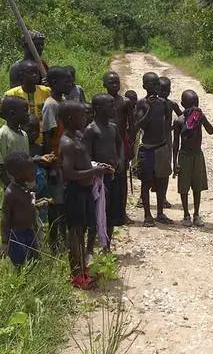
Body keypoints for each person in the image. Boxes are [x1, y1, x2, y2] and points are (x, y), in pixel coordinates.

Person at [59, 101, 113, 289]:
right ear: (70, 118)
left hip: (85, 191)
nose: (85, 118)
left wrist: (97, 167)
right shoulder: (66, 142)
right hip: (74, 193)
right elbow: (69, 174)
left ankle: (83, 269)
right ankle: (76, 274)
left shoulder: (79, 136)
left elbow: (84, 163)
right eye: (81, 115)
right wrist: (94, 172)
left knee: (82, 230)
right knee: (75, 234)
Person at [83, 94, 125, 250]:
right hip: (99, 179)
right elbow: (86, 155)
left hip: (113, 176)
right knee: (97, 214)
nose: (114, 109)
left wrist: (120, 160)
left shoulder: (113, 127)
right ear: (99, 109)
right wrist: (96, 168)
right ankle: (89, 250)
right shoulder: (91, 130)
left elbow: (120, 144)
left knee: (111, 213)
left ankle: (106, 245)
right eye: (110, 106)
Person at [134, 72, 173, 227]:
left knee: (162, 180)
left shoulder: (163, 103)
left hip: (161, 147)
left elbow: (168, 124)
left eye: (157, 83)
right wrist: (150, 109)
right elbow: (141, 125)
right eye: (152, 84)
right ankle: (147, 215)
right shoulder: (142, 103)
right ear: (144, 86)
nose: (156, 87)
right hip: (148, 148)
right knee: (146, 181)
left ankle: (160, 213)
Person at [41, 66, 73, 254]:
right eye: (66, 81)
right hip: (57, 163)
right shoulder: (51, 105)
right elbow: (48, 137)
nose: (70, 84)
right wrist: (51, 165)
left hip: (65, 162)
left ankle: (63, 241)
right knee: (56, 207)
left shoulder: (62, 101)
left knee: (63, 206)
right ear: (54, 83)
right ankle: (55, 245)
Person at [172, 90, 213, 227]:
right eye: (191, 104)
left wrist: (202, 116)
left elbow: (211, 130)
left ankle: (196, 214)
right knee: (184, 188)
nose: (194, 107)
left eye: (196, 104)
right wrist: (175, 161)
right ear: (183, 105)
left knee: (197, 186)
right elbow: (175, 143)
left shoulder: (198, 117)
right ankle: (186, 214)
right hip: (184, 156)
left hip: (197, 154)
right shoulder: (179, 121)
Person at [0, 151, 46, 268]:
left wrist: (38, 204)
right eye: (30, 170)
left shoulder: (26, 188)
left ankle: (34, 281)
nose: (34, 171)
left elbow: (28, 205)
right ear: (18, 174)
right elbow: (5, 218)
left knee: (35, 260)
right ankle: (21, 283)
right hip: (16, 235)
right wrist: (4, 242)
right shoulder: (10, 193)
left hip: (29, 231)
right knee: (20, 264)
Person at [0, 60, 51, 146]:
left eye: (36, 72)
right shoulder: (12, 94)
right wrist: (10, 119)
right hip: (20, 139)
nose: (35, 75)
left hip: (43, 138)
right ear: (21, 75)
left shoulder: (46, 91)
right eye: (31, 73)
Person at [103, 71, 135, 224]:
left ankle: (122, 214)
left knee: (121, 180)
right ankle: (107, 214)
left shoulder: (125, 102)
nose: (115, 85)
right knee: (107, 180)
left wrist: (130, 145)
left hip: (121, 142)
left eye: (117, 82)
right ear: (104, 85)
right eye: (111, 82)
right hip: (105, 143)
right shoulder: (101, 101)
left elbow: (132, 125)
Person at [0, 96, 30, 189]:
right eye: (25, 111)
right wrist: (10, 185)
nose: (28, 114)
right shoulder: (2, 134)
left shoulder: (24, 134)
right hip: (10, 186)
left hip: (23, 184)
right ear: (12, 114)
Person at [158, 76, 182, 209]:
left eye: (167, 90)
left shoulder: (171, 104)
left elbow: (183, 117)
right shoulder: (152, 103)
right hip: (153, 139)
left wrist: (174, 127)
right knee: (150, 170)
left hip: (167, 138)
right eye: (162, 89)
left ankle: (163, 197)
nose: (164, 92)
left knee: (166, 169)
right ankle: (142, 199)